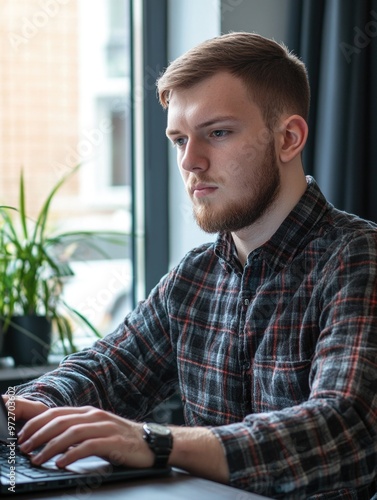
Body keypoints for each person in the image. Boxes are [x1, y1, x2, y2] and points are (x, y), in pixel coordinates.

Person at [3, 32, 377, 499]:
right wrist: (21, 407)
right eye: (179, 139)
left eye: (217, 133)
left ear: (288, 138)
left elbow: (343, 430)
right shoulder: (194, 277)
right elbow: (107, 369)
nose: (190, 161)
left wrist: (157, 441)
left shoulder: (358, 258)